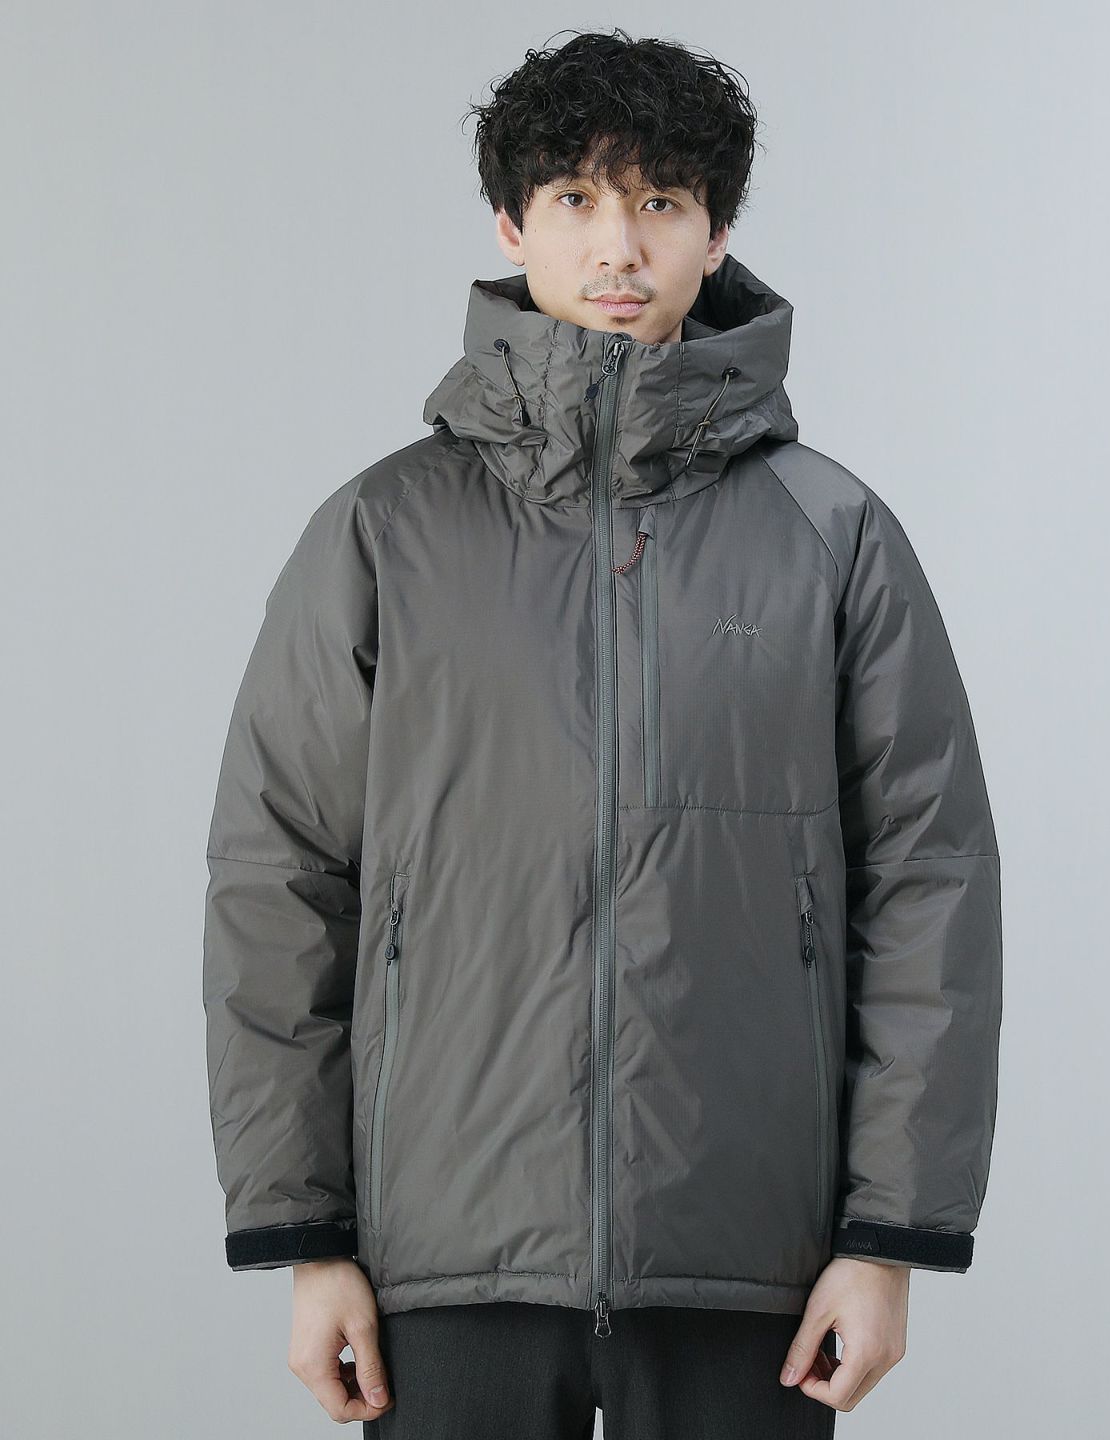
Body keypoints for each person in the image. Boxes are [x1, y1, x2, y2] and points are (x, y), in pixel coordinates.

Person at [201, 27, 1003, 1438]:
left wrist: (886, 1239)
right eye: (576, 198)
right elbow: (280, 875)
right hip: (443, 1249)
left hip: (747, 1254)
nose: (619, 244)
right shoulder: (387, 531)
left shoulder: (830, 534)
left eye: (661, 202)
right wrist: (307, 1237)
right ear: (512, 225)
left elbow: (929, 879)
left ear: (716, 231)